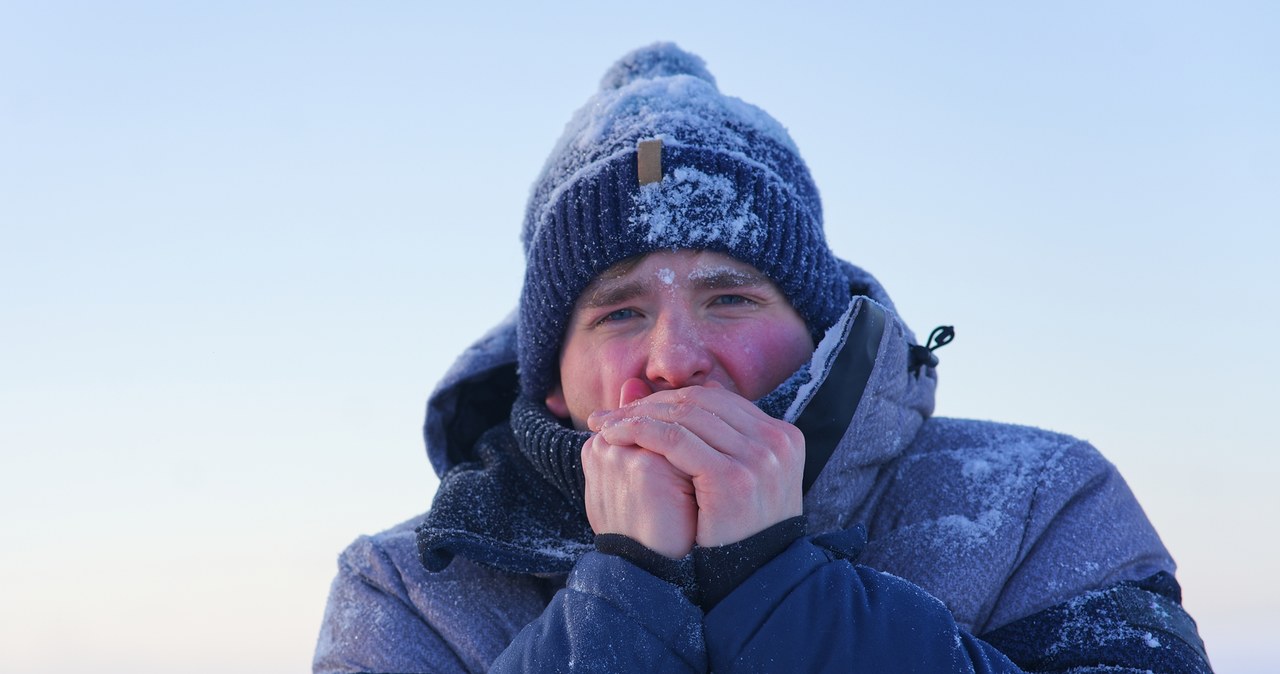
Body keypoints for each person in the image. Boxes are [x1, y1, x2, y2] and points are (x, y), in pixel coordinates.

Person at [314, 43, 1211, 673]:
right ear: (550, 383)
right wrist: (623, 599)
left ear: (817, 333)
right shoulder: (409, 590)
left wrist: (779, 592)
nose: (673, 359)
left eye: (731, 297)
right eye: (619, 311)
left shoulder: (1037, 502)